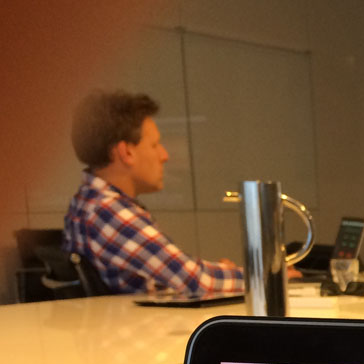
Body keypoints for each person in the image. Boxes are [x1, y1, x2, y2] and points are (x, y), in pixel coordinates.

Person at [63, 90, 244, 295]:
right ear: (126, 152)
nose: (164, 155)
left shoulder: (87, 201)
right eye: (154, 145)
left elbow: (167, 276)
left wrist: (221, 273)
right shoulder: (107, 211)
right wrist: (262, 276)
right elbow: (196, 281)